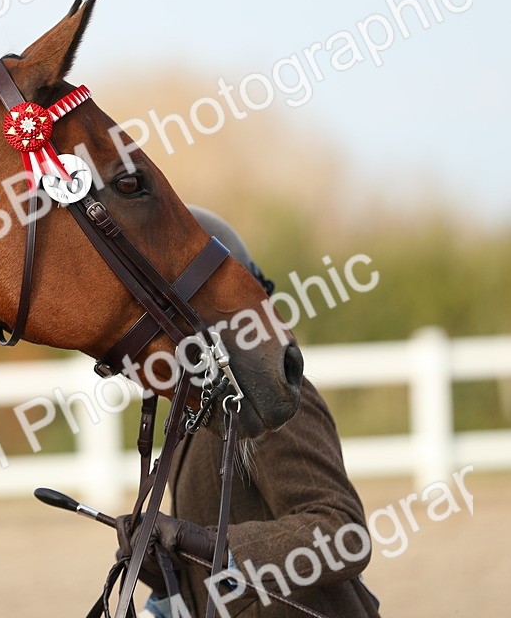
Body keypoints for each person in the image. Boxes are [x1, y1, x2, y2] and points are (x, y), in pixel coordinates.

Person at [116, 207, 381, 618]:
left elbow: (344, 532)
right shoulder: (198, 404)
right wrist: (167, 563)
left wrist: (212, 544)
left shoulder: (268, 401)